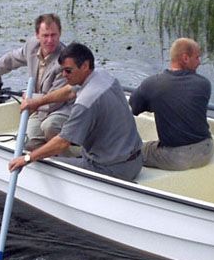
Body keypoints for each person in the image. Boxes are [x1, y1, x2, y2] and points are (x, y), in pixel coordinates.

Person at [8, 43, 143, 181]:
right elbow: (68, 91)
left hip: (111, 169)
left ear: (84, 66)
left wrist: (27, 158)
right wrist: (38, 101)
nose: (63, 75)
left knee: (46, 163)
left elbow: (62, 143)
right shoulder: (103, 75)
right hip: (136, 160)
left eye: (68, 70)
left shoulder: (85, 103)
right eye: (62, 70)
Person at [0, 13, 72, 151]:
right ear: (37, 35)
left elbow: (55, 101)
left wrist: (31, 99)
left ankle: (66, 158)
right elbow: (10, 60)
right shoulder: (31, 46)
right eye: (45, 36)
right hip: (38, 108)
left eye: (53, 35)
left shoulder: (65, 60)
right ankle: (45, 155)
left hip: (62, 108)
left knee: (50, 126)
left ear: (60, 34)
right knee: (27, 143)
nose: (50, 40)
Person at [128, 38, 214, 170]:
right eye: (197, 58)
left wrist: (154, 103)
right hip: (206, 151)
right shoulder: (204, 84)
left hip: (177, 158)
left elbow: (134, 107)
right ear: (185, 58)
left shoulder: (153, 84)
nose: (199, 62)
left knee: (130, 150)